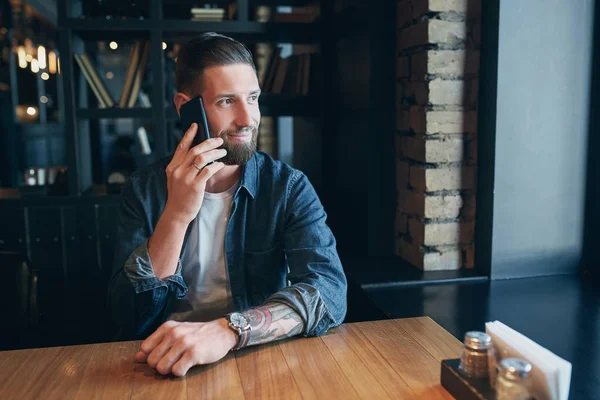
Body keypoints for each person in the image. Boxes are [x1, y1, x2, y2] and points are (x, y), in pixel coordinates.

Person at [107, 32, 347, 377]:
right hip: (162, 366)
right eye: (225, 102)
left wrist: (230, 330)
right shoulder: (145, 189)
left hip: (255, 362)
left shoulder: (287, 187)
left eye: (252, 98)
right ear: (184, 107)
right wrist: (176, 214)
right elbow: (127, 317)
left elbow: (329, 294)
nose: (247, 118)